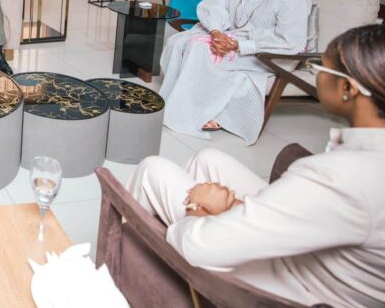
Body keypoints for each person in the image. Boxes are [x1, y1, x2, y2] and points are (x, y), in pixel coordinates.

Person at [129, 23, 385, 307]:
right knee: (208, 159)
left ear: (347, 88)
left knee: (153, 169)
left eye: (321, 68)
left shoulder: (340, 176)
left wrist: (198, 208)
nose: (318, 74)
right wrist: (233, 208)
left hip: (302, 284)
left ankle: (124, 273)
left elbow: (197, 246)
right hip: (316, 248)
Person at [159, 0, 311, 145]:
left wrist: (239, 46)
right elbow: (215, 4)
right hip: (229, 35)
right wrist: (216, 32)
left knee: (202, 50)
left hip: (270, 52)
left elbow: (291, 43)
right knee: (178, 41)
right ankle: (175, 100)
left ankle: (193, 114)